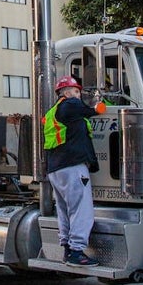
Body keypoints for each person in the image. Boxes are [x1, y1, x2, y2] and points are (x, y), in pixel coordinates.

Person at [42, 76, 106, 267]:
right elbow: (96, 110)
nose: (79, 95)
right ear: (67, 92)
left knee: (64, 210)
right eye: (77, 91)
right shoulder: (70, 105)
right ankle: (77, 251)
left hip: (57, 168)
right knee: (81, 209)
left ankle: (68, 249)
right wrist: (100, 104)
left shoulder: (54, 111)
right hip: (72, 166)